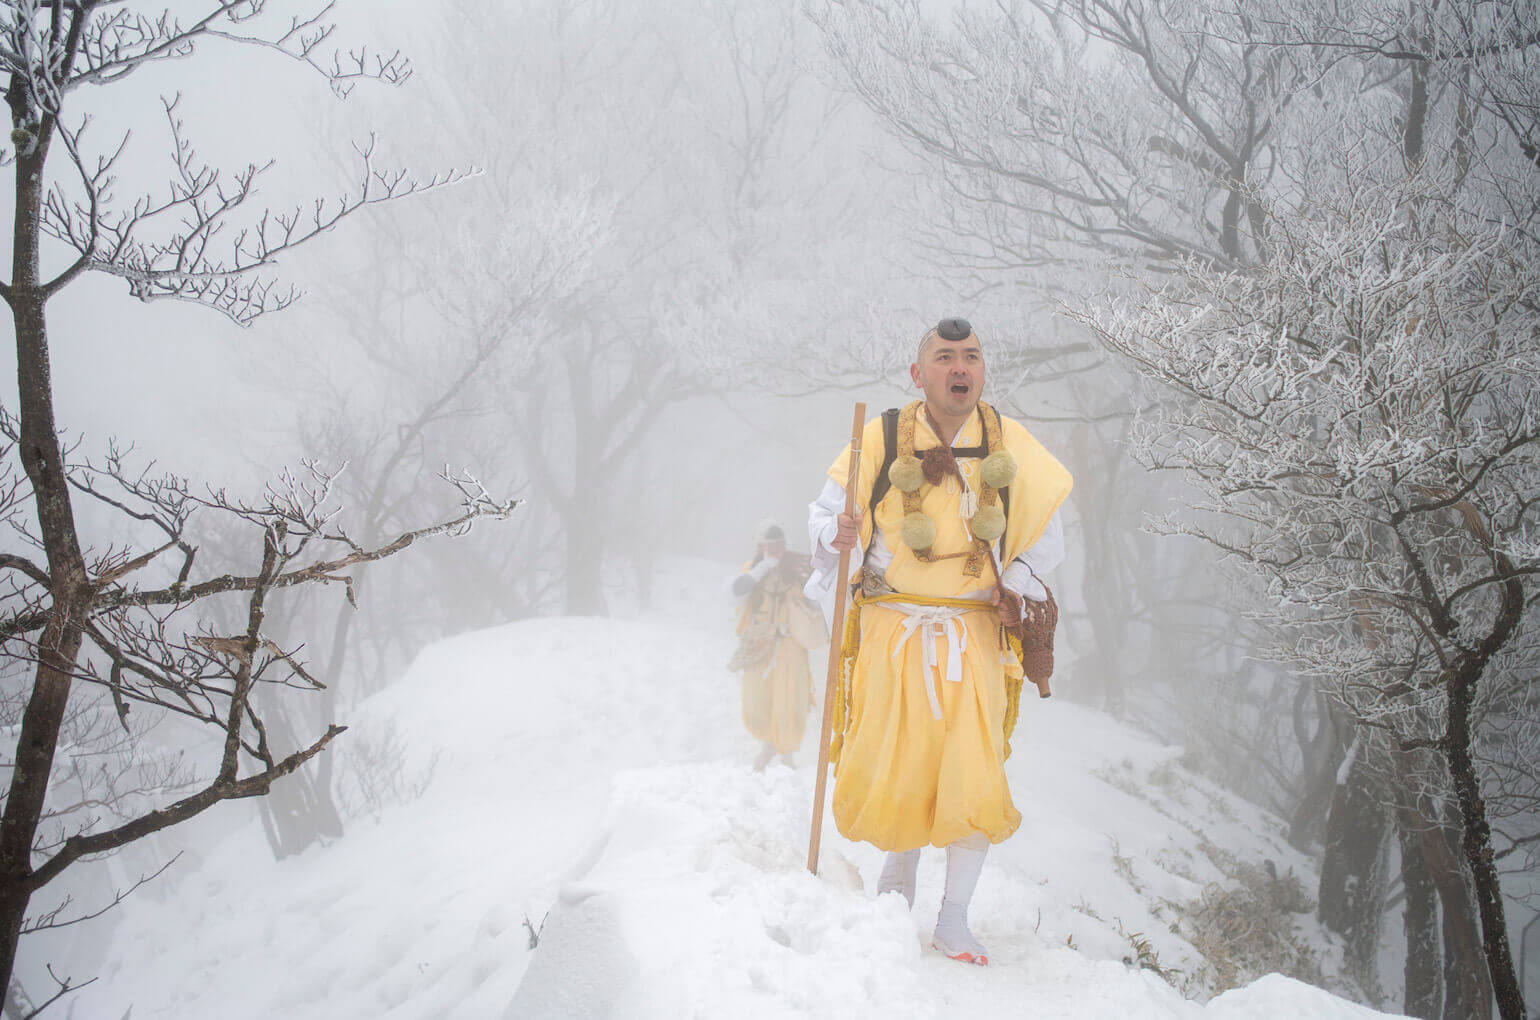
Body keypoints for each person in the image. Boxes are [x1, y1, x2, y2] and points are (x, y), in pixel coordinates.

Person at [805, 317, 1071, 965]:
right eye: (945, 356)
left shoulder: (1011, 447)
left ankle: (954, 918)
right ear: (917, 374)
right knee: (904, 760)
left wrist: (1009, 586)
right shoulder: (878, 440)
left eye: (972, 356)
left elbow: (1047, 542)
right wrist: (833, 536)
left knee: (970, 769)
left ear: (983, 372)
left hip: (971, 635)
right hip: (892, 632)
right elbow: (823, 515)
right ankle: (895, 891)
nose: (961, 367)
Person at [729, 520, 827, 771]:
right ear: (761, 546)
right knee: (755, 701)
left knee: (791, 700)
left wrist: (810, 592)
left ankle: (787, 751)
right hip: (760, 643)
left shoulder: (798, 570)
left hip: (791, 645)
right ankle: (769, 743)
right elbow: (736, 592)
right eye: (769, 546)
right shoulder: (752, 570)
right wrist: (762, 568)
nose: (776, 550)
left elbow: (818, 600)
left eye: (779, 545)